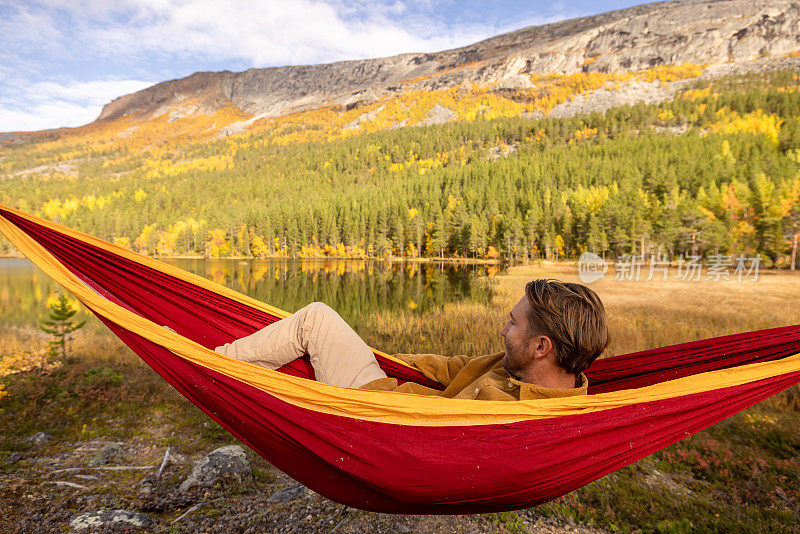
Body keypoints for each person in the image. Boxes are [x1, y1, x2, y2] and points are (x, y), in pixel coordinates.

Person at [213, 278, 609, 401]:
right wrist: (387, 357)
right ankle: (218, 359)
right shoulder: (514, 365)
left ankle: (213, 362)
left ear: (542, 346)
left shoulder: (522, 416)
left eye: (512, 323)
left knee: (315, 318)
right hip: (387, 385)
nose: (503, 330)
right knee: (319, 321)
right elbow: (453, 367)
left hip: (372, 407)